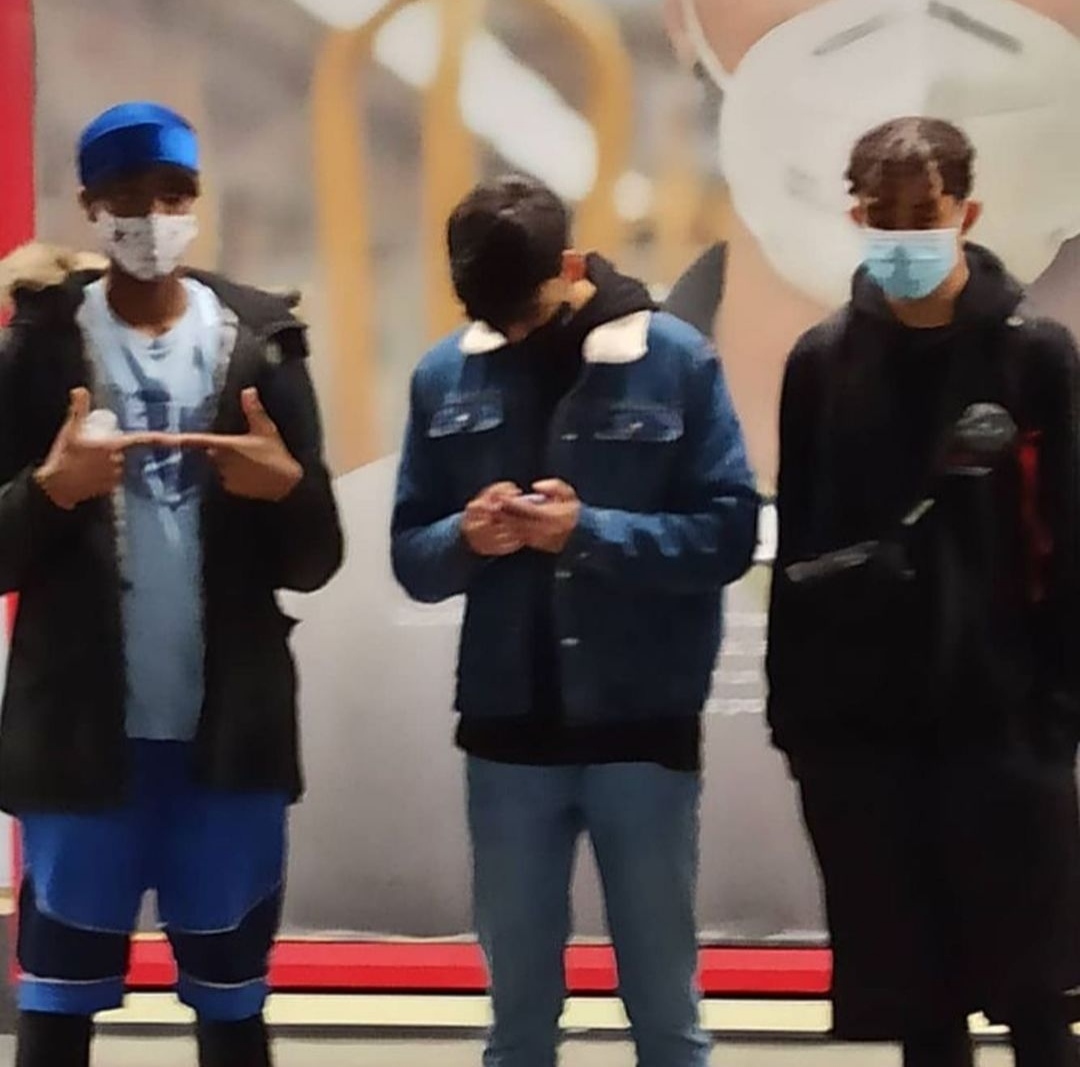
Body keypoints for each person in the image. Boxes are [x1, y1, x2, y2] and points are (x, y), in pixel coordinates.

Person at [0, 102, 343, 1067]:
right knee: (57, 1012)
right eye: (125, 198)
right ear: (89, 205)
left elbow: (316, 559)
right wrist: (48, 492)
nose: (150, 217)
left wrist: (286, 490)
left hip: (226, 743)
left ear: (197, 201)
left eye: (173, 194)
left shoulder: (262, 343)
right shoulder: (38, 349)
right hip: (81, 743)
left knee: (232, 1012)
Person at [391, 175, 758, 1067]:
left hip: (643, 727)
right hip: (506, 734)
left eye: (524, 310)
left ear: (568, 265)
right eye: (493, 315)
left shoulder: (674, 359)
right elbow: (412, 555)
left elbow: (728, 535)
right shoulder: (445, 373)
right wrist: (464, 537)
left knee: (666, 1015)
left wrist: (586, 531)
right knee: (517, 1023)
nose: (513, 333)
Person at [767, 115, 1080, 1067]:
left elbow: (1070, 532)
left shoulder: (1035, 356)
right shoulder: (822, 362)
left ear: (966, 214)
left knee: (1037, 997)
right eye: (885, 215)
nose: (904, 234)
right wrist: (798, 716)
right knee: (920, 1006)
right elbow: (801, 543)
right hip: (872, 732)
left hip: (1008, 718)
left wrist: (1056, 705)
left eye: (924, 214)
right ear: (856, 217)